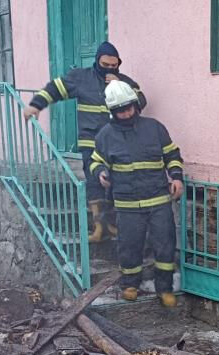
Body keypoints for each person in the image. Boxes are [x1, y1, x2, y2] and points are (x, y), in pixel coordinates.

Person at [24, 41, 146, 243]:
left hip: (117, 142)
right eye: (105, 64)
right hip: (91, 141)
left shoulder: (125, 81)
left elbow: (141, 101)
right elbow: (54, 89)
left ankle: (112, 224)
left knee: (117, 182)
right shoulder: (80, 78)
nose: (109, 68)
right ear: (97, 61)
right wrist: (36, 105)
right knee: (94, 182)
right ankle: (98, 228)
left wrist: (119, 85)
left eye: (113, 65)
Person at [89, 80, 183, 307]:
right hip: (127, 204)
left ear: (135, 105)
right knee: (129, 247)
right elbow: (95, 162)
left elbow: (172, 154)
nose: (126, 113)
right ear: (113, 111)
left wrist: (177, 177)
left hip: (159, 200)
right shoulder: (105, 135)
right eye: (120, 110)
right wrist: (101, 172)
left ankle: (165, 289)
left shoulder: (154, 128)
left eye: (129, 107)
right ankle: (130, 285)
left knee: (165, 246)